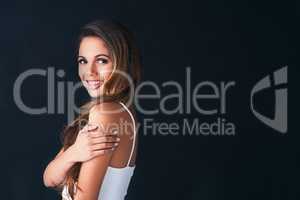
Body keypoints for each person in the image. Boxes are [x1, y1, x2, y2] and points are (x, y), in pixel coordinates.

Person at [43, 19, 142, 200]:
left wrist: (73, 155)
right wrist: (74, 153)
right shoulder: (112, 111)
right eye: (83, 61)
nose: (89, 72)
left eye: (102, 61)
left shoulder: (106, 114)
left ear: (122, 64)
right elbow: (49, 179)